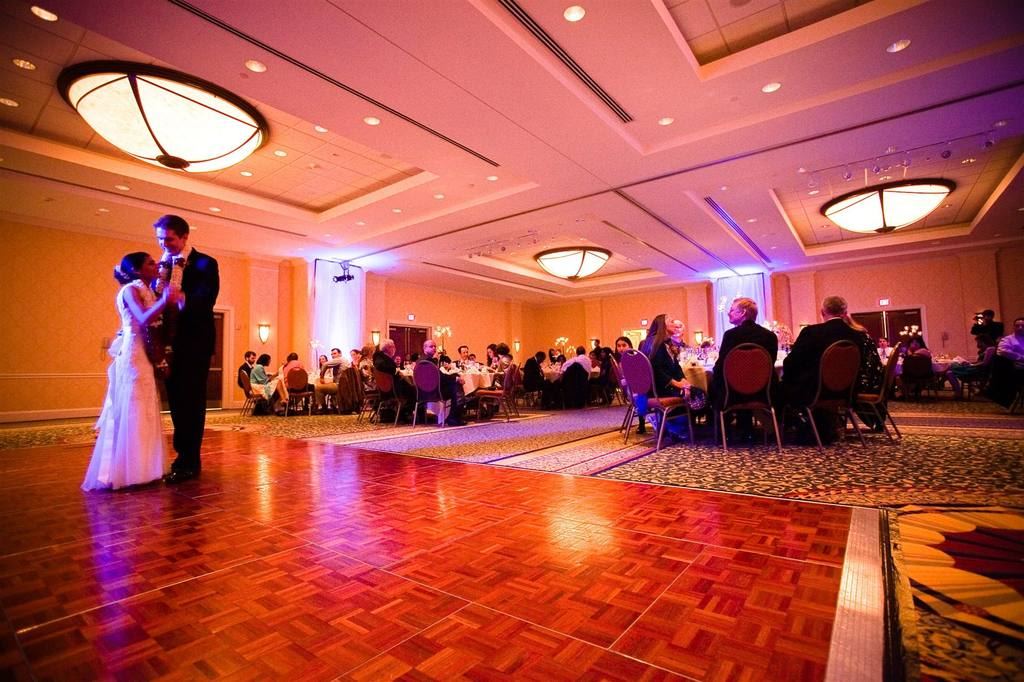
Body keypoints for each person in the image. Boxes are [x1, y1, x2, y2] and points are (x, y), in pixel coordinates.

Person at [83, 253, 172, 490]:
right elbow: (142, 319)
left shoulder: (148, 290)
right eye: (150, 262)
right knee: (135, 407)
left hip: (145, 354)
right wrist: (166, 299)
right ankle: (130, 471)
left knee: (146, 407)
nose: (156, 265)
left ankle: (146, 468)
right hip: (134, 355)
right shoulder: (129, 291)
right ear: (136, 270)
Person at [154, 214, 219, 484]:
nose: (164, 244)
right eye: (160, 239)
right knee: (176, 401)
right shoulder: (161, 266)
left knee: (191, 401)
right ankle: (183, 456)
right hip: (169, 344)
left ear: (184, 237)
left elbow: (207, 299)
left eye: (168, 239)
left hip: (195, 342)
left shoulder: (205, 263)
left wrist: (181, 297)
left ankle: (190, 460)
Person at [782, 296, 863, 442]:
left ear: (822, 312)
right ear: (845, 312)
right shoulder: (857, 335)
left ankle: (785, 429)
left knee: (780, 388)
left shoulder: (811, 332)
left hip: (815, 391)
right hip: (847, 391)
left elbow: (791, 363)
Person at [711, 298, 778, 436]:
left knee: (713, 383)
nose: (728, 313)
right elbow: (770, 365)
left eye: (732, 310)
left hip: (732, 393)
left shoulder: (730, 335)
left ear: (743, 313)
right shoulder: (770, 336)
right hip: (763, 392)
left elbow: (721, 367)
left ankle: (722, 431)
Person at [420, 339, 466, 426]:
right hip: (433, 392)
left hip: (424, 392)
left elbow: (439, 376)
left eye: (435, 346)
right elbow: (439, 377)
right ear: (424, 348)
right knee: (456, 387)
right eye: (431, 346)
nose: (434, 348)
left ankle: (452, 417)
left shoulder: (421, 360)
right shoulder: (428, 361)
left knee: (455, 383)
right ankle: (453, 418)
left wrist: (455, 377)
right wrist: (456, 378)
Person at [946, 334, 996, 399]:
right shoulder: (984, 350)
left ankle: (958, 392)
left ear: (983, 341)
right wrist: (970, 363)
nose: (978, 344)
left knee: (952, 365)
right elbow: (979, 362)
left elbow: (985, 363)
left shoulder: (990, 349)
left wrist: (972, 365)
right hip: (975, 369)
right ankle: (958, 392)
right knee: (949, 372)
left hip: (979, 371)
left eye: (978, 342)